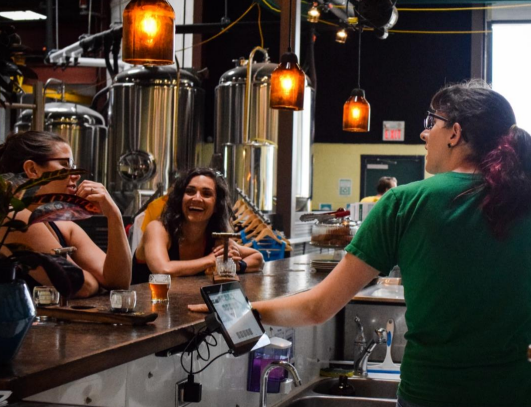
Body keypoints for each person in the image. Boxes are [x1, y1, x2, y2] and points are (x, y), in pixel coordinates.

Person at [192, 81, 531, 407]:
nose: (424, 133)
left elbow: (318, 308)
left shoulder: (404, 204)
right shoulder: (523, 202)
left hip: (431, 394)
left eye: (432, 122)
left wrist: (244, 313)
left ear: (455, 133)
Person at [0, 131, 132, 297]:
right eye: (64, 165)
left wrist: (114, 215)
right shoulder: (13, 217)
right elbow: (80, 285)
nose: (75, 175)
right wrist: (96, 282)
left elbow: (119, 282)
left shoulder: (63, 226)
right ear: (32, 170)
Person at [132, 167, 264, 283]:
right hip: (143, 307)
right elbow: (163, 270)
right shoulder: (158, 228)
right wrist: (212, 260)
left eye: (206, 194)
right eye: (190, 191)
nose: (196, 198)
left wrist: (237, 265)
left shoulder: (214, 236)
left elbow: (257, 258)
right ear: (180, 199)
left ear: (216, 205)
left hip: (185, 304)